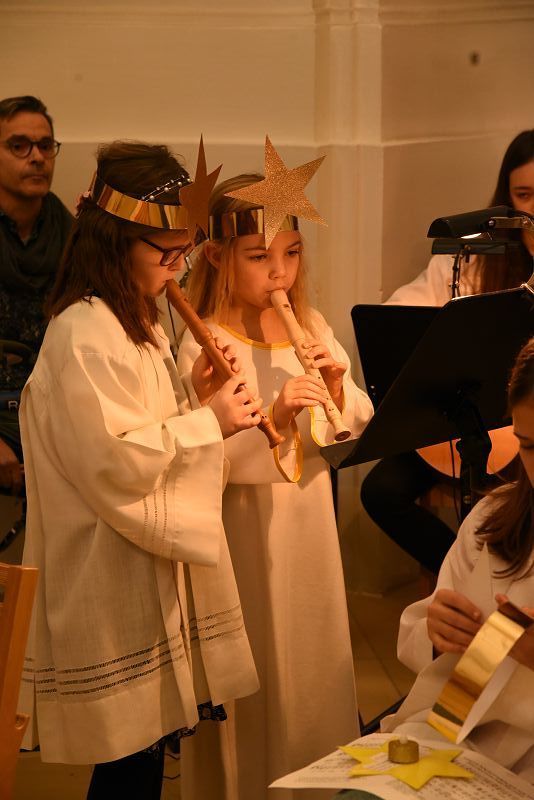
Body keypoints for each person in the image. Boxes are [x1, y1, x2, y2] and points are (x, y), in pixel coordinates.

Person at [19, 140, 263, 799]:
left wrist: (195, 393)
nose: (178, 267)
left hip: (141, 565)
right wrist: (211, 423)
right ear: (115, 241)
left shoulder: (140, 319)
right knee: (125, 767)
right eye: (167, 253)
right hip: (104, 569)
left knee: (145, 757)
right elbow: (115, 463)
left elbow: (148, 426)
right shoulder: (84, 332)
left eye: (185, 251)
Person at [177, 141, 374, 800]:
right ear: (217, 257)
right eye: (259, 257)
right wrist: (279, 416)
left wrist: (337, 389)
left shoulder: (308, 323)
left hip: (307, 521)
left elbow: (354, 423)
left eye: (291, 253)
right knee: (255, 666)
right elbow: (199, 453)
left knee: (310, 660)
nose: (280, 273)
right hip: (240, 531)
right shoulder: (205, 339)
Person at [361, 129, 534, 575]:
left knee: (513, 509)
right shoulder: (473, 256)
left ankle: (510, 580)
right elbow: (400, 320)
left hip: (525, 433)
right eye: (524, 195)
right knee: (380, 491)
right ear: (507, 198)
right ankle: (461, 578)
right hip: (464, 426)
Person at [381, 335, 534, 782]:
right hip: (457, 730)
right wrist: (437, 632)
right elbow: (430, 633)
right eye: (528, 445)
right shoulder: (493, 518)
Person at [0, 95, 72, 495]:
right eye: (19, 146)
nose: (37, 157)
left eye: (45, 145)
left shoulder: (74, 237)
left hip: (55, 411)